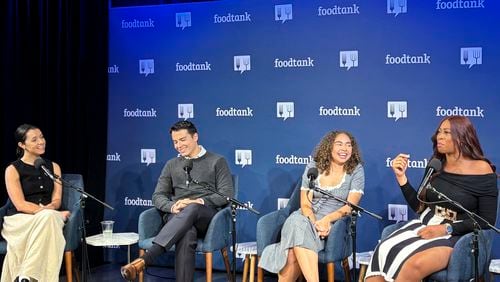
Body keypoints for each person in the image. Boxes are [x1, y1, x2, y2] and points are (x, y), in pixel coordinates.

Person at [366, 116, 498, 281]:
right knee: (383, 250)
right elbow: (419, 207)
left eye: (446, 132)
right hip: (424, 226)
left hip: (457, 236)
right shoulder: (436, 165)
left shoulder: (482, 169)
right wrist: (401, 178)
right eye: (439, 132)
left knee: (415, 263)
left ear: (463, 137)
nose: (439, 137)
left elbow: (486, 221)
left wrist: (446, 229)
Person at [121, 120, 234, 281]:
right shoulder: (171, 164)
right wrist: (173, 206)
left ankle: (148, 258)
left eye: (182, 140)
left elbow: (226, 194)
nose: (178, 145)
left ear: (195, 137)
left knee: (193, 208)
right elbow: (158, 196)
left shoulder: (217, 161)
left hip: (207, 218)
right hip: (178, 216)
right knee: (187, 233)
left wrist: (197, 202)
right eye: (175, 142)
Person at [258, 130, 365, 282]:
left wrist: (327, 220)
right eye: (339, 144)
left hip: (332, 226)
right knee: (297, 221)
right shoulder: (314, 166)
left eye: (348, 145)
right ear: (329, 147)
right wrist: (316, 224)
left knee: (291, 254)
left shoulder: (356, 170)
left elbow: (350, 207)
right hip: (307, 218)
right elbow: (305, 204)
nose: (345, 149)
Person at [2, 124, 71, 282]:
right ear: (22, 145)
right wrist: (52, 212)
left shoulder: (53, 167)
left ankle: (26, 276)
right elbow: (20, 204)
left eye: (42, 137)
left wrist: (52, 209)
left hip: (47, 217)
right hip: (20, 219)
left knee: (48, 219)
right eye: (34, 139)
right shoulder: (12, 169)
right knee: (50, 219)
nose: (41, 141)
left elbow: (57, 199)